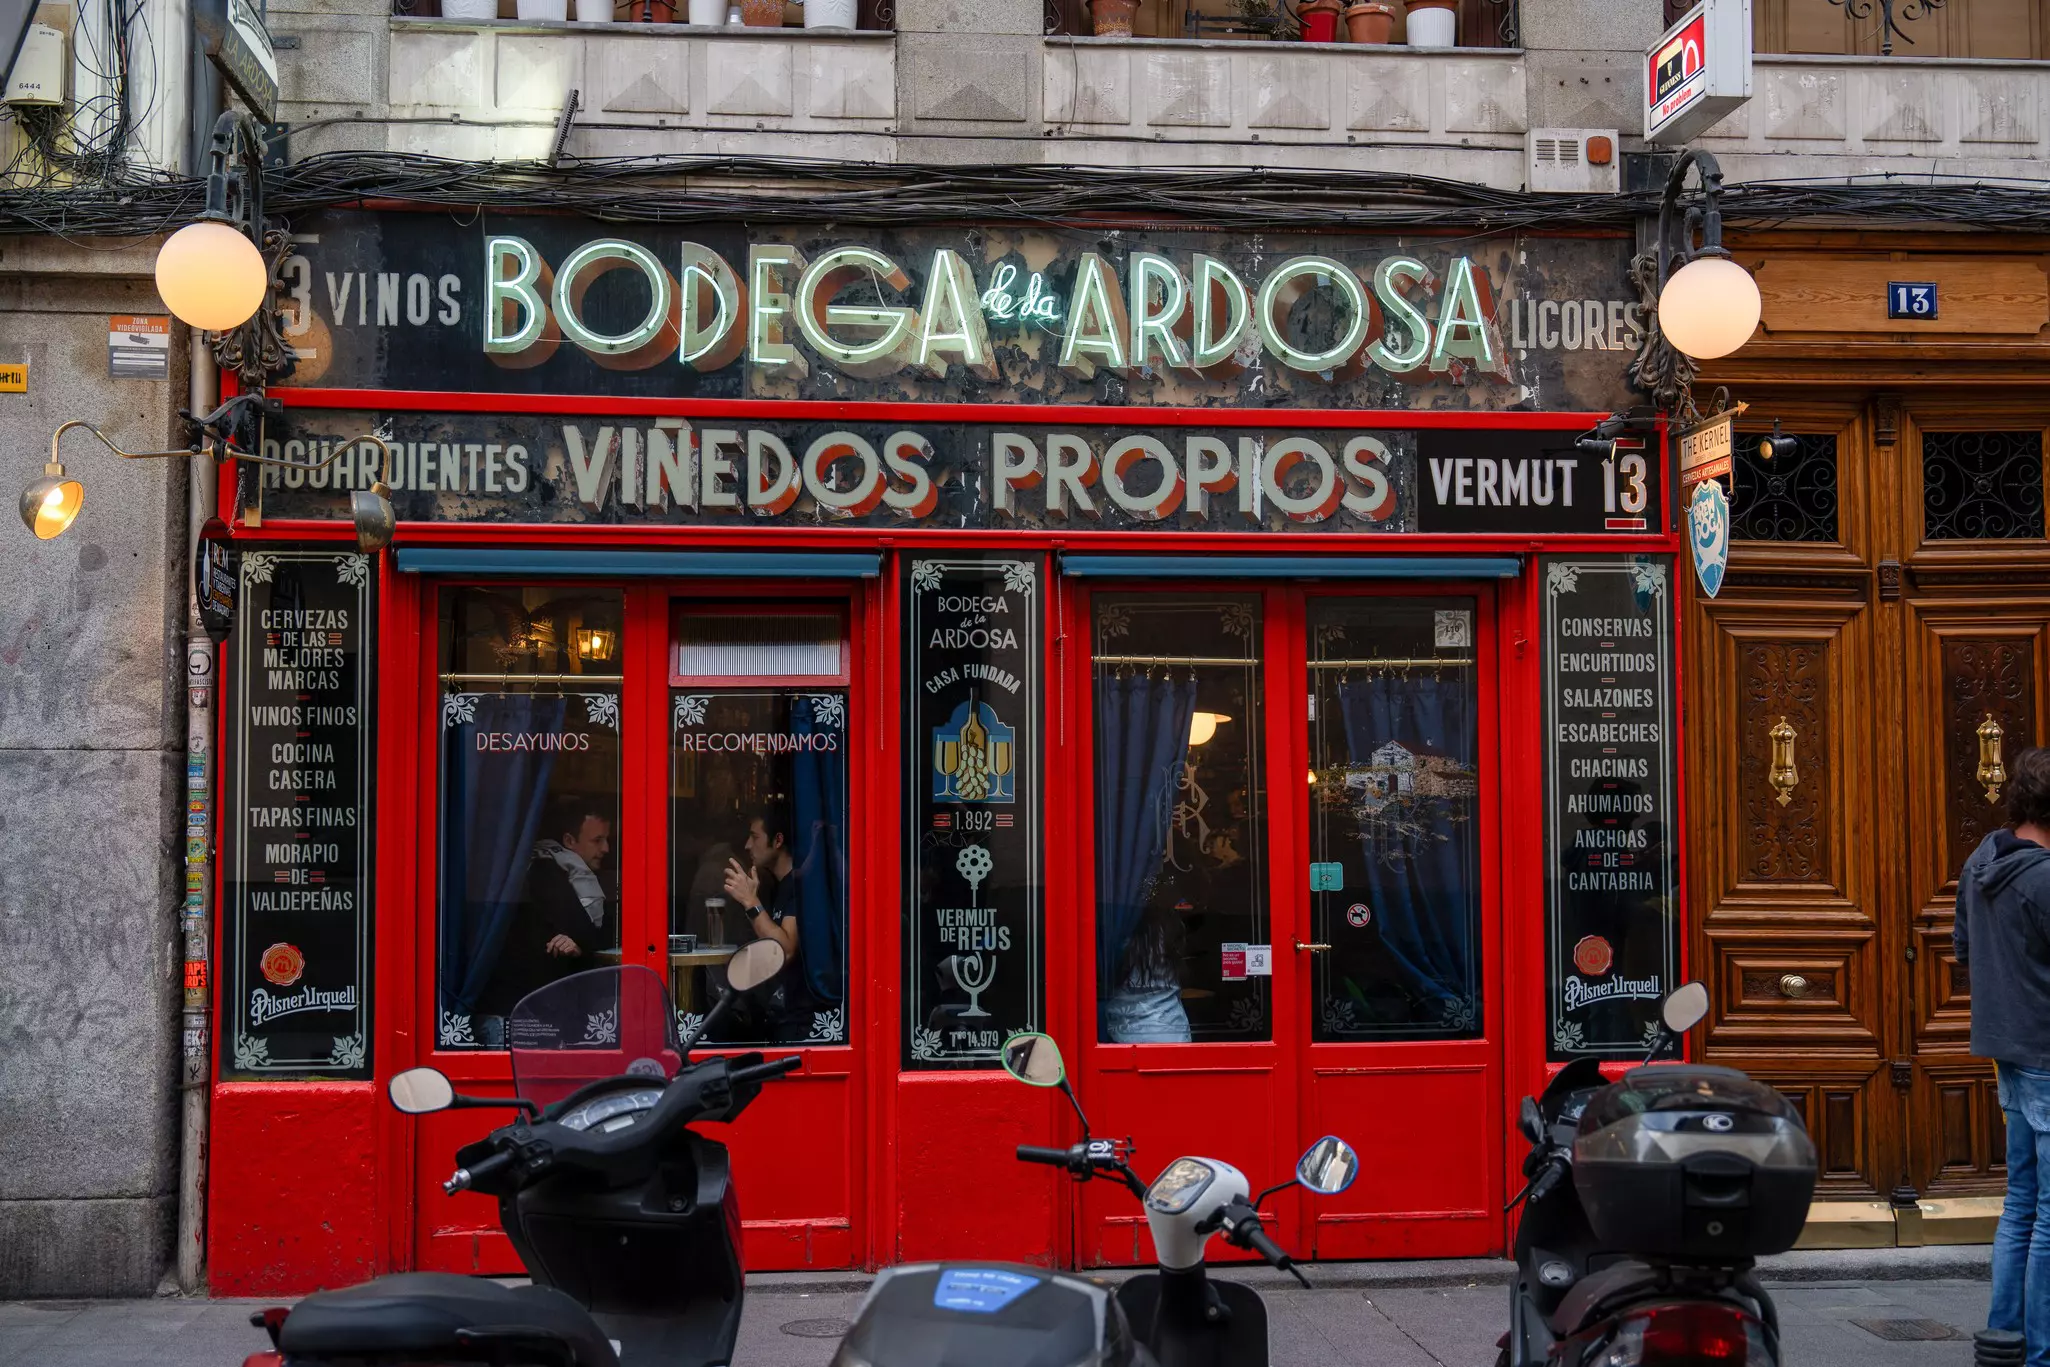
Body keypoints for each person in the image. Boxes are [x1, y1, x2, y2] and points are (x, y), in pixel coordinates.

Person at [1958, 746, 2050, 1366]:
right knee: (2048, 1213)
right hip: (2045, 1050)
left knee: (2021, 1201)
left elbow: (1966, 952)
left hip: (2005, 1049)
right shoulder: (2044, 877)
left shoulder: (1980, 860)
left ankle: (2003, 1336)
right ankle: (2042, 1351)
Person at [482, 797, 617, 1020]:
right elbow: (588, 936)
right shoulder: (545, 872)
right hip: (536, 1005)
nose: (606, 848)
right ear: (569, 840)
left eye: (607, 839)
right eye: (597, 840)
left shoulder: (583, 873)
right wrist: (581, 944)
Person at [721, 801, 812, 1041]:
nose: (747, 845)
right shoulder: (779, 884)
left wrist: (751, 902)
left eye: (755, 837)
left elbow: (785, 949)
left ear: (778, 840)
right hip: (781, 1012)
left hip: (800, 1022)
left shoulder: (799, 884)